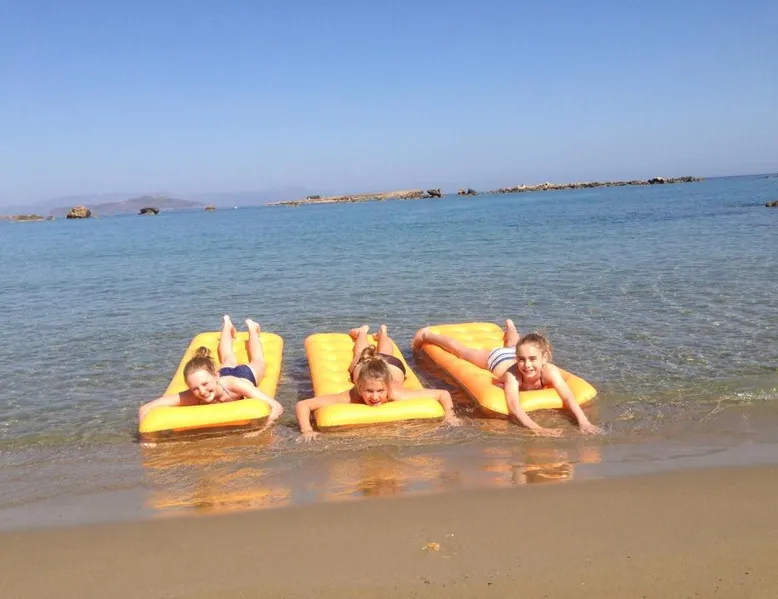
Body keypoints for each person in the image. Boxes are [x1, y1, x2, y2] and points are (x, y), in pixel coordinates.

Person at [412, 320, 604, 436]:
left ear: (545, 358)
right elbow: (514, 407)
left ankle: (510, 326)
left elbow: (568, 397)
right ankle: (429, 336)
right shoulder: (513, 374)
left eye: (532, 359)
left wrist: (583, 422)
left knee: (513, 344)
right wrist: (536, 428)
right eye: (523, 360)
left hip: (512, 352)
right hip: (496, 359)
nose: (527, 365)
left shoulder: (550, 371)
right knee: (462, 352)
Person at [295, 325, 462, 442]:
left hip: (392, 366)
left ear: (387, 388)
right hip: (364, 365)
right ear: (359, 387)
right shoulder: (351, 395)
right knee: (360, 356)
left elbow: (443, 394)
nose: (375, 397)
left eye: (380, 391)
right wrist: (307, 431)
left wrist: (450, 415)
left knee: (386, 353)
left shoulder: (396, 392)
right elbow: (303, 405)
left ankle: (383, 333)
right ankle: (362, 333)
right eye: (369, 391)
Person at [138, 315, 284, 423]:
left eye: (204, 384)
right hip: (224, 375)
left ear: (216, 376)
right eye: (195, 388)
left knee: (258, 360)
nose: (202, 391)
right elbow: (145, 409)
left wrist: (262, 429)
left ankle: (252, 328)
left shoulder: (234, 385)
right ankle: (227, 324)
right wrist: (147, 439)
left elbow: (277, 407)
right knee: (228, 358)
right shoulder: (193, 395)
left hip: (244, 375)